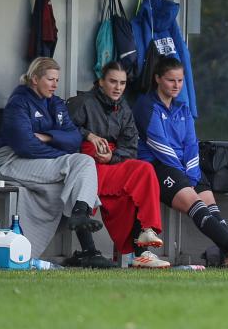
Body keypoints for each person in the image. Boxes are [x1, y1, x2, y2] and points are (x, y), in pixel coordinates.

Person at [134, 57, 228, 267]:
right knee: (196, 204)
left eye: (180, 80)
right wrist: (182, 175)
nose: (176, 85)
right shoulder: (146, 105)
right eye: (170, 80)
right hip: (159, 166)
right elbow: (159, 145)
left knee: (212, 208)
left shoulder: (183, 108)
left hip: (187, 168)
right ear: (157, 79)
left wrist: (192, 172)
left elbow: (191, 144)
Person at [0, 57, 115, 268]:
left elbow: (74, 139)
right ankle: (84, 235)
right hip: (14, 161)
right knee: (83, 162)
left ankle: (86, 248)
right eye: (50, 79)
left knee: (71, 180)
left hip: (41, 161)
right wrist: (60, 152)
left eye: (57, 80)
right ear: (34, 79)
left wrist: (48, 137)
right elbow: (25, 145)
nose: (55, 84)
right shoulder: (19, 102)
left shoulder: (56, 103)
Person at [67, 61, 170, 268]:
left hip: (111, 163)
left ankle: (145, 238)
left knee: (145, 169)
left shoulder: (124, 107)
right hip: (84, 165)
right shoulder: (83, 102)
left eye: (122, 83)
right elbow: (63, 129)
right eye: (113, 81)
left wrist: (111, 158)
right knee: (121, 185)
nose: (118, 87)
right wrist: (88, 135)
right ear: (101, 81)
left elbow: (131, 147)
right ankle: (130, 252)